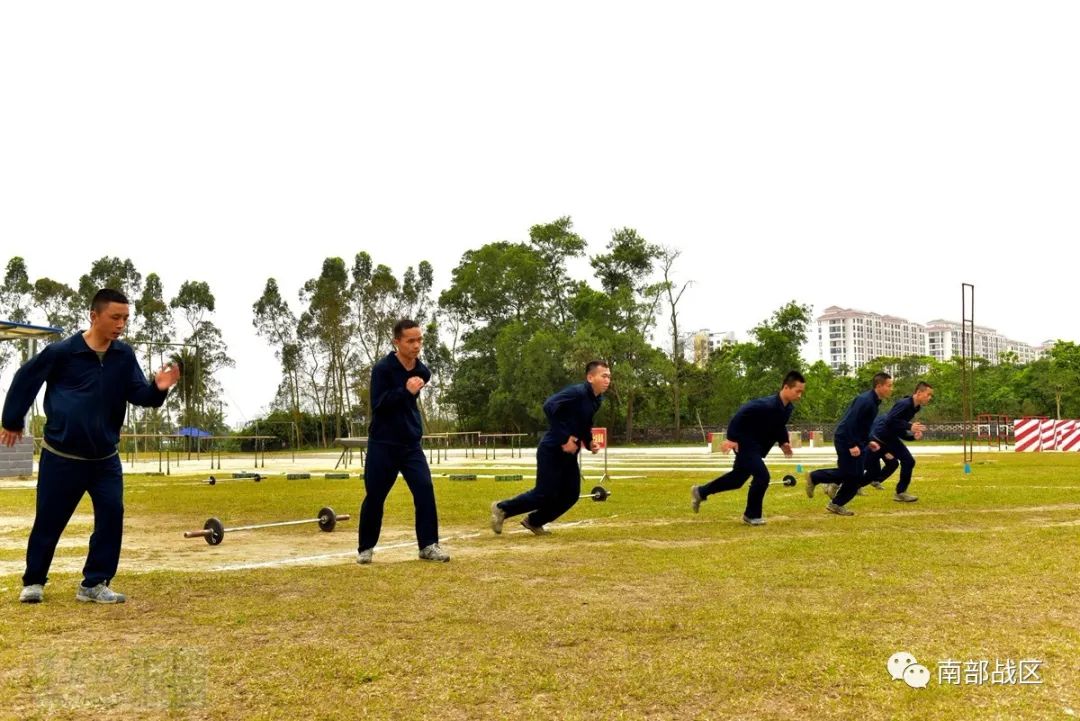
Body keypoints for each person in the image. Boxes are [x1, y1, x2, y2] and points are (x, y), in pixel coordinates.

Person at [2, 289, 179, 604]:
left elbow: (140, 394)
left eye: (125, 318)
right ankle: (34, 581)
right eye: (115, 317)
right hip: (62, 457)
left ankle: (94, 583)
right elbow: (25, 378)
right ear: (94, 316)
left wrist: (159, 389)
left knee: (112, 515)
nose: (121, 324)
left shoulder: (124, 356)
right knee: (49, 520)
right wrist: (13, 419)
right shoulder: (62, 352)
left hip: (104, 459)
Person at [357, 319, 449, 564]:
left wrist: (411, 390)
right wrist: (405, 391)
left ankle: (428, 545)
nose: (417, 345)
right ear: (397, 342)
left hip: (410, 444)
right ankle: (365, 548)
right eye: (411, 340)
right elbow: (379, 404)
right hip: (383, 444)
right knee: (375, 496)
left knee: (425, 491)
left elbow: (410, 401)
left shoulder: (423, 372)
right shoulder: (382, 370)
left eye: (419, 340)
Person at [490, 361, 611, 536]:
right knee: (544, 494)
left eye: (609, 377)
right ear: (590, 377)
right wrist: (565, 437)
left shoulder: (597, 400)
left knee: (570, 494)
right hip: (552, 449)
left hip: (570, 454)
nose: (608, 380)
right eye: (604, 376)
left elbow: (584, 423)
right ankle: (501, 508)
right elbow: (549, 406)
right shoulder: (577, 392)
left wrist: (589, 441)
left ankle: (534, 521)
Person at [690, 371, 806, 525]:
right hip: (745, 443)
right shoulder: (767, 404)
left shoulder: (787, 408)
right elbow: (740, 414)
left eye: (801, 392)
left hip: (756, 446)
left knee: (737, 479)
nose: (799, 395)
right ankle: (751, 515)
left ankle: (701, 491)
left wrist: (783, 442)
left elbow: (779, 426)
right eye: (797, 391)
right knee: (762, 476)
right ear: (786, 387)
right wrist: (731, 438)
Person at [807, 372, 893, 515]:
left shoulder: (874, 401)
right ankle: (815, 477)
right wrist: (852, 444)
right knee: (851, 475)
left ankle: (835, 502)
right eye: (889, 386)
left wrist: (869, 441)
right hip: (846, 439)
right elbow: (850, 422)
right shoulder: (865, 400)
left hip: (857, 441)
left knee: (854, 475)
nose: (891, 389)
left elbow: (863, 426)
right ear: (879, 386)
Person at [863, 381, 933, 502]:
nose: (930, 397)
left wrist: (912, 436)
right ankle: (900, 492)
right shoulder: (904, 403)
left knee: (873, 471)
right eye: (928, 394)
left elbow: (897, 427)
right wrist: (910, 426)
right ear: (919, 392)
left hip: (889, 437)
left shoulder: (915, 407)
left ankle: (900, 492)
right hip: (881, 436)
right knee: (906, 461)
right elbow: (890, 420)